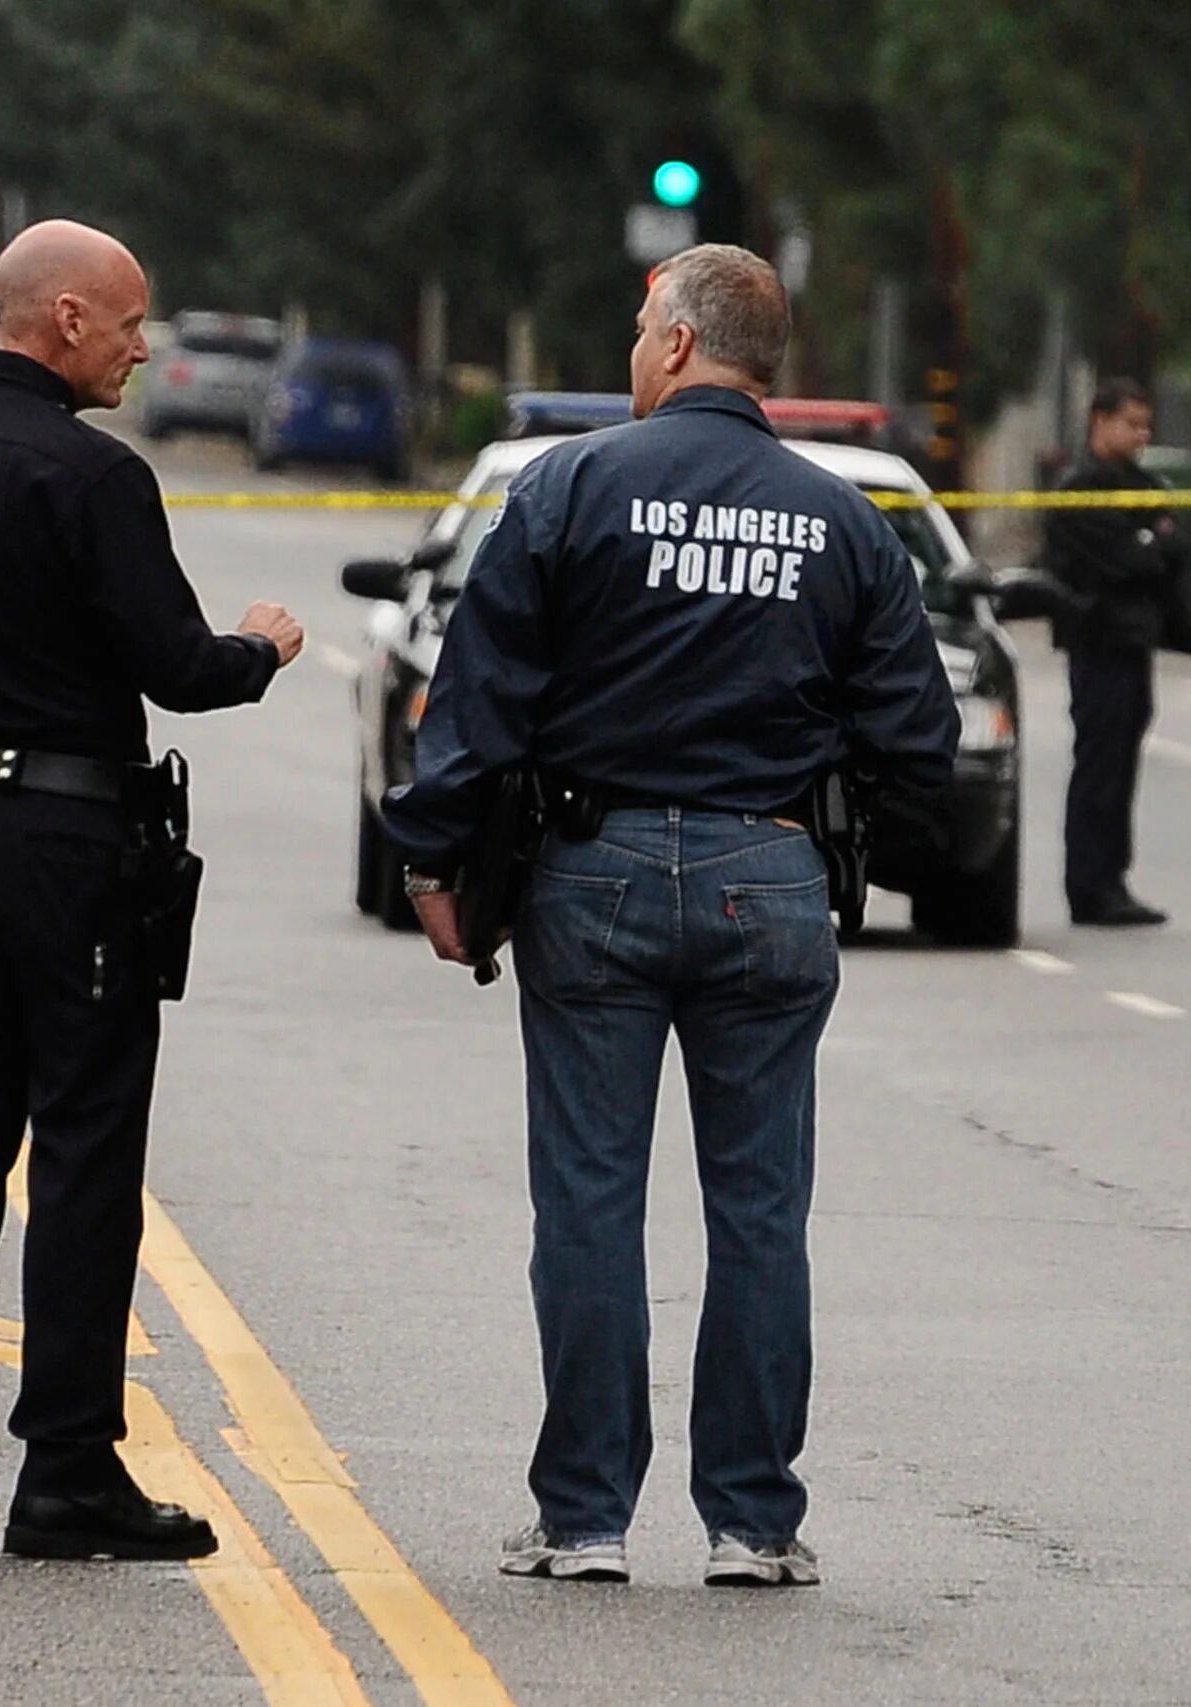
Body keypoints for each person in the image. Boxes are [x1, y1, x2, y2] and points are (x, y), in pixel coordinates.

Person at [385, 245, 957, 1588]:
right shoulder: (845, 524)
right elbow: (919, 738)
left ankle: (585, 1515)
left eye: (644, 328)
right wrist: (848, 828)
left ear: (687, 345)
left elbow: (479, 697)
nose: (635, 352)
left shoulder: (570, 485)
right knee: (761, 1207)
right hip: (772, 876)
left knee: (589, 1199)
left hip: (597, 868)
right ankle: (753, 1521)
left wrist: (432, 863)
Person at [0, 220, 304, 1561]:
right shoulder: (93, 477)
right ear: (61, 316)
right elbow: (176, 667)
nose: (141, 341)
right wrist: (262, 646)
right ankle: (67, 1467)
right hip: (68, 842)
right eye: (127, 319)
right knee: (86, 1148)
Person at [1046, 379, 1191, 927]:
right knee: (1100, 767)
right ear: (1099, 421)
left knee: (1123, 765)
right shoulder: (1081, 488)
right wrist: (1148, 543)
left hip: (1134, 643)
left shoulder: (1142, 484)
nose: (1141, 434)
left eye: (1145, 424)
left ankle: (1112, 878)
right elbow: (1123, 561)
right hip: (1098, 643)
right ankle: (1089, 885)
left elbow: (1175, 549)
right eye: (1131, 422)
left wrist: (1152, 542)